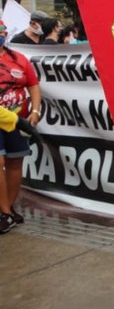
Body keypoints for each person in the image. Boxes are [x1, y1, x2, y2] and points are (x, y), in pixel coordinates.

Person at [0, 20, 42, 233]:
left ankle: (9, 207)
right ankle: (4, 212)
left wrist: (35, 111)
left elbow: (34, 85)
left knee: (15, 162)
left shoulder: (18, 59)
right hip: (4, 119)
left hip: (17, 120)